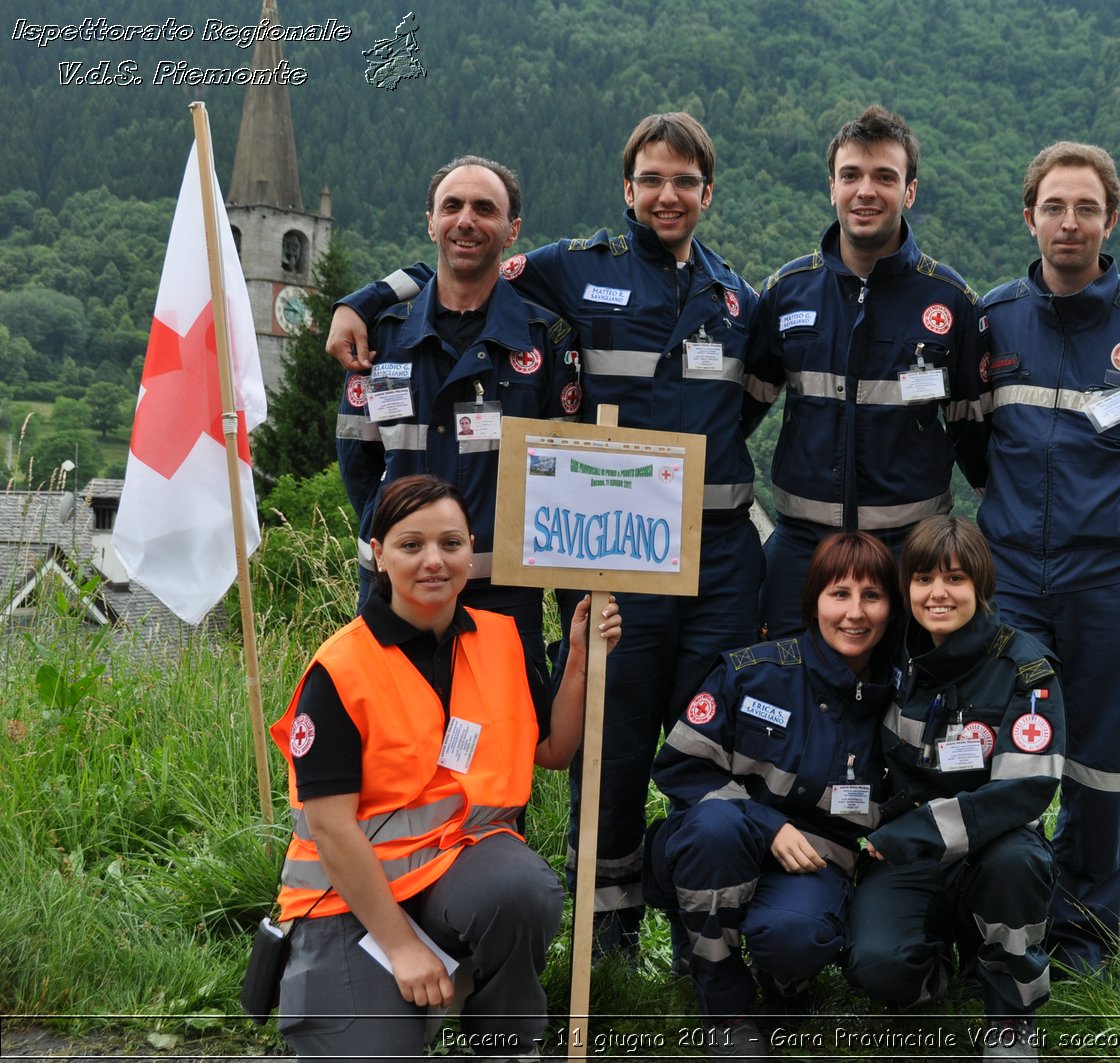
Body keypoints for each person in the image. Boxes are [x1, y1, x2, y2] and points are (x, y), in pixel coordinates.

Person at [325, 114, 765, 955]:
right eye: (651, 179)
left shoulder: (739, 298)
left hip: (696, 558)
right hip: (557, 567)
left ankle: (673, 932)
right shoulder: (573, 269)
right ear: (627, 189)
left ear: (707, 192)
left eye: (684, 182)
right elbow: (464, 262)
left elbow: (751, 403)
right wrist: (365, 295)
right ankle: (578, 930)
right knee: (602, 745)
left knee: (676, 741)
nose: (667, 195)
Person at [269, 474, 620, 1061]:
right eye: (411, 545)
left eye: (451, 544)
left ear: (470, 550)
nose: (434, 561)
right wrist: (402, 947)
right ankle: (417, 987)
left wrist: (580, 656)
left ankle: (502, 1044)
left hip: (459, 872)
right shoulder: (340, 669)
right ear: (378, 555)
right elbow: (330, 828)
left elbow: (555, 750)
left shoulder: (501, 641)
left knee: (522, 891)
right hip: (351, 896)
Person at [968, 142, 1120, 973]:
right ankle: (1005, 929)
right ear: (1028, 215)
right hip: (1012, 587)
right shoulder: (993, 320)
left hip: (1114, 585)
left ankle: (1082, 941)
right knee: (1007, 758)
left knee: (1101, 771)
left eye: (1085, 208)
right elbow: (973, 445)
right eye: (1053, 206)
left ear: (1112, 219)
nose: (1068, 222)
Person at [645, 531, 900, 1057]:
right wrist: (768, 825)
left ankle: (789, 987)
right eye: (840, 594)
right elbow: (680, 767)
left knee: (793, 937)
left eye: (872, 596)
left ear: (891, 609)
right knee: (717, 828)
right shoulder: (753, 671)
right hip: (717, 848)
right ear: (813, 602)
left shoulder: (900, 701)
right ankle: (725, 1008)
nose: (855, 613)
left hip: (813, 868)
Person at [744, 105, 986, 640]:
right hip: (803, 548)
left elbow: (978, 441)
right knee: (790, 695)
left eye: (885, 177)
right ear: (832, 187)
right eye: (851, 175)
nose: (866, 191)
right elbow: (736, 415)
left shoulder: (951, 301)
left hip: (912, 553)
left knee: (907, 708)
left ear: (910, 192)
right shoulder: (786, 293)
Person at [336, 154, 577, 657]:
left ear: (512, 231)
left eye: (484, 208)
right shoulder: (383, 336)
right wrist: (406, 542)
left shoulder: (545, 340)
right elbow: (358, 462)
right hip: (395, 592)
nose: (466, 220)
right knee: (398, 734)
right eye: (452, 206)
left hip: (503, 597)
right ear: (431, 223)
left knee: (505, 736)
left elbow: (562, 474)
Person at [843, 516, 1063, 1061]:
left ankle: (1011, 1019)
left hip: (991, 845)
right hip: (910, 858)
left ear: (980, 586)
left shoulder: (1025, 668)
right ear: (907, 588)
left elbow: (1025, 791)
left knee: (1017, 863)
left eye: (955, 579)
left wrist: (910, 834)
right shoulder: (891, 653)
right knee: (877, 969)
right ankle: (950, 965)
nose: (937, 594)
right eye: (922, 580)